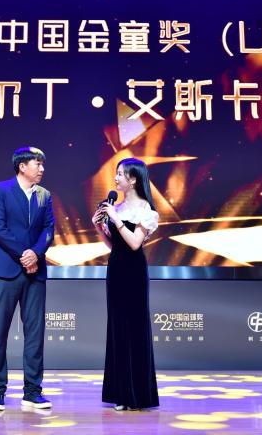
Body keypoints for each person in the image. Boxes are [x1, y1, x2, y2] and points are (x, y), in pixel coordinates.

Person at [0, 146, 55, 411]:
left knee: (35, 333)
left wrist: (35, 253)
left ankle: (33, 391)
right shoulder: (0, 190)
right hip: (5, 269)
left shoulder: (44, 195)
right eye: (38, 163)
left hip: (35, 272)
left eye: (42, 164)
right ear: (22, 166)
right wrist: (24, 254)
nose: (42, 168)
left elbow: (49, 229)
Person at [91, 157, 160, 411]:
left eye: (120, 174)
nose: (116, 178)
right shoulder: (116, 207)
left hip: (134, 272)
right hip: (116, 269)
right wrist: (100, 227)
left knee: (135, 328)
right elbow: (115, 245)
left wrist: (115, 219)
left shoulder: (146, 210)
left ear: (133, 179)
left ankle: (137, 395)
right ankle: (121, 393)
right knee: (118, 328)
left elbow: (134, 243)